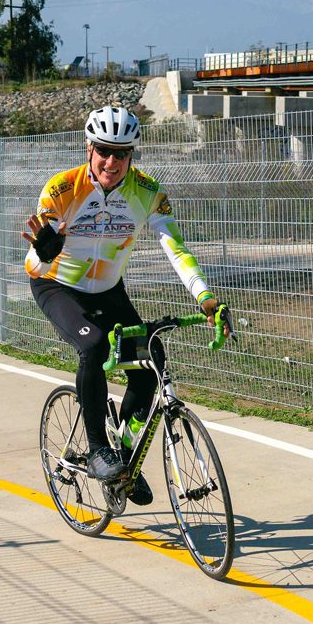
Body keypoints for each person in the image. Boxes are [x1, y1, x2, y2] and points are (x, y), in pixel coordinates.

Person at [23, 105, 229, 499]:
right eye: (103, 150)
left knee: (153, 361)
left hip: (109, 290)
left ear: (132, 155)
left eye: (121, 153)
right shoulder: (62, 189)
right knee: (94, 344)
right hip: (58, 286)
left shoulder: (146, 192)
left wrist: (205, 296)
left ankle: (123, 460)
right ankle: (99, 449)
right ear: (89, 148)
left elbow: (176, 248)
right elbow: (33, 264)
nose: (111, 161)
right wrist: (45, 252)